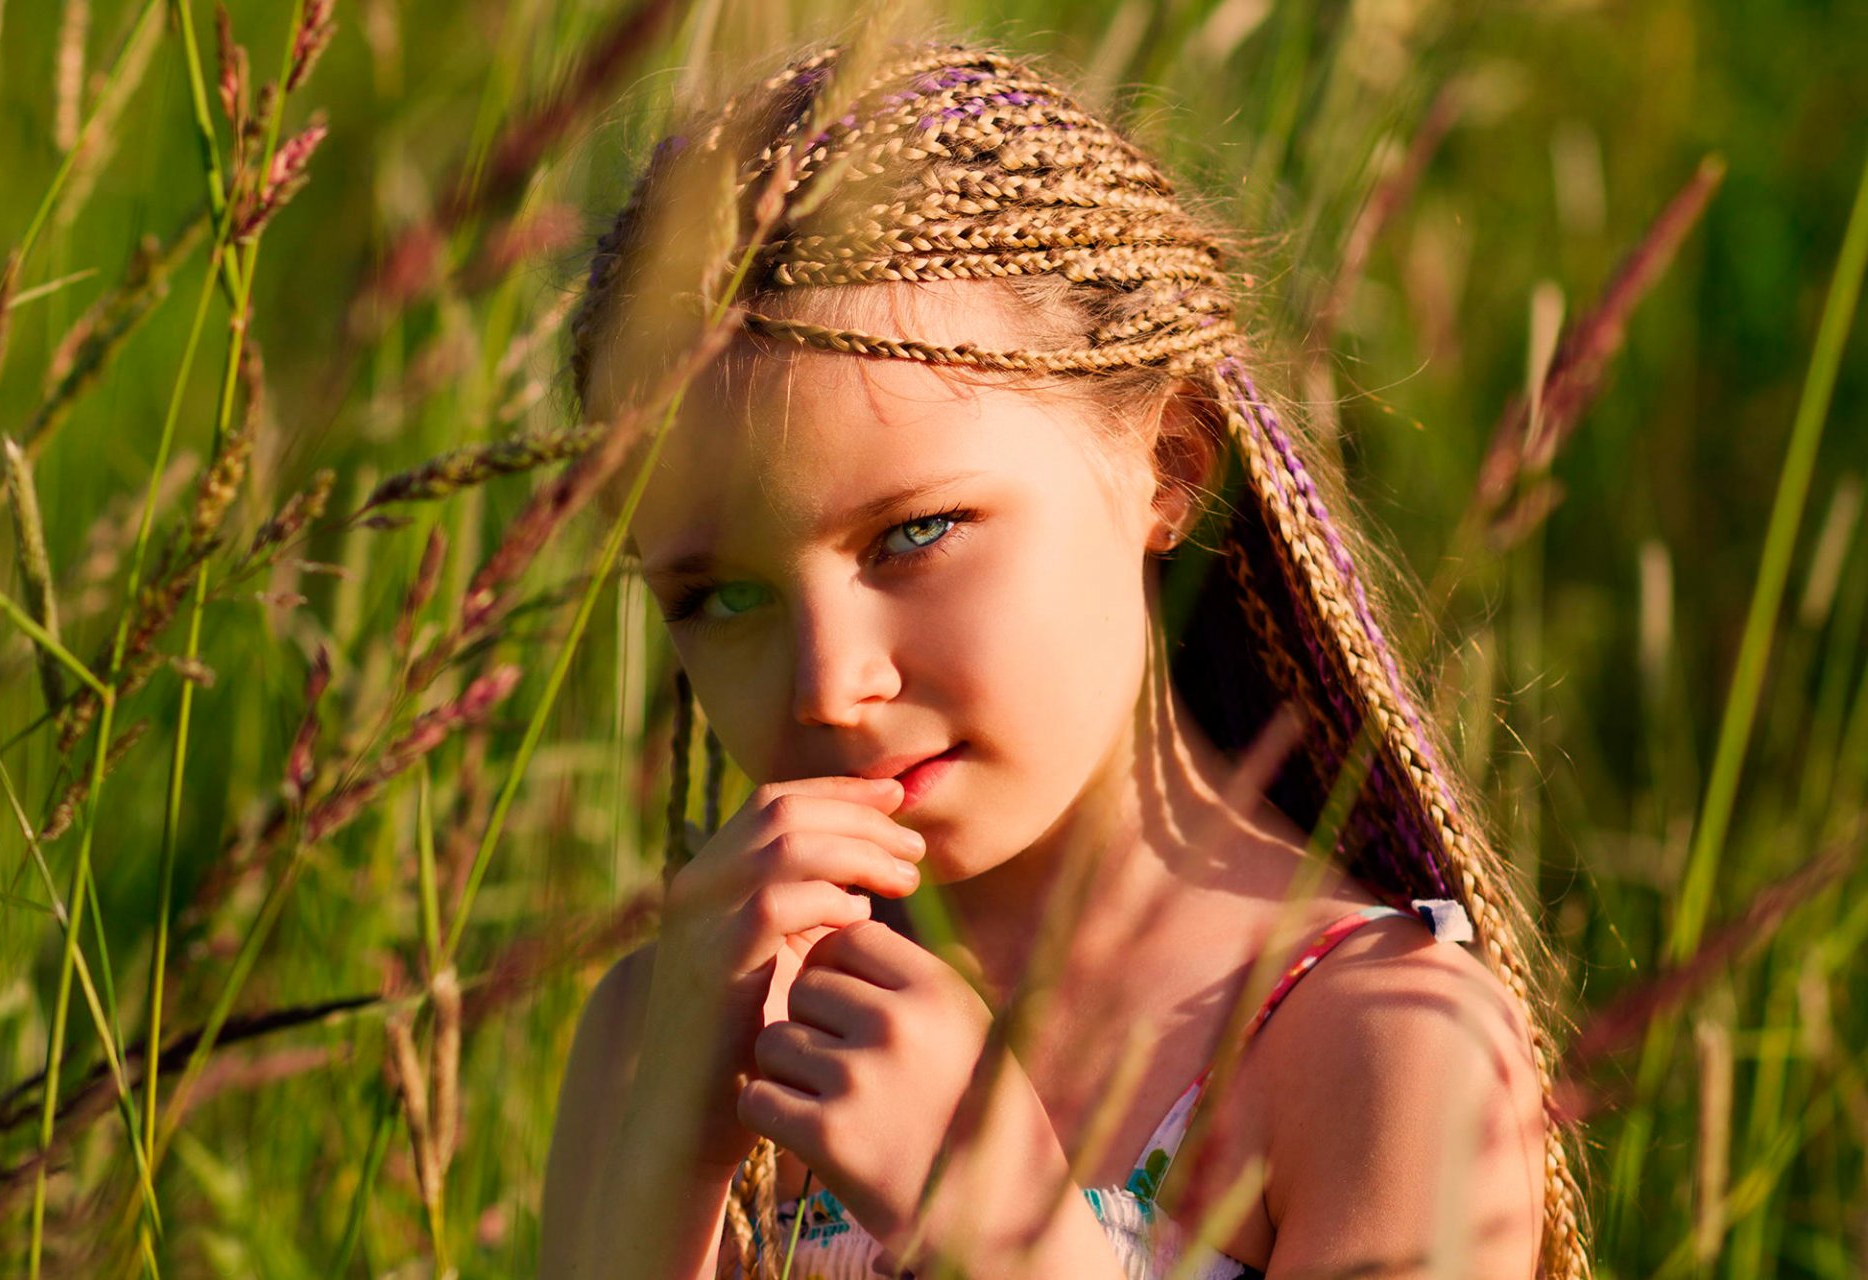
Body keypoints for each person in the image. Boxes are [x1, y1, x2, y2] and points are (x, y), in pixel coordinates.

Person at [538, 39, 1587, 1280]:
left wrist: (1021, 1241)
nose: (828, 682)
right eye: (720, 596)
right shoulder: (661, 1037)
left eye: (915, 533)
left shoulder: (1385, 1047)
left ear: (1170, 461)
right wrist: (667, 1153)